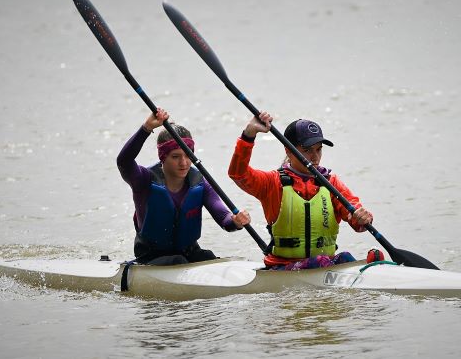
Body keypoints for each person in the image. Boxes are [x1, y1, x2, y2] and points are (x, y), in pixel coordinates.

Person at [228, 111, 374, 270]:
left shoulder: (331, 182)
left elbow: (355, 218)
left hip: (324, 265)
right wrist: (249, 135)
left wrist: (361, 218)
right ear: (288, 151)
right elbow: (238, 173)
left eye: (318, 149)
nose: (315, 157)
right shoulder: (272, 183)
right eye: (307, 150)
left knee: (346, 257)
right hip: (284, 267)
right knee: (320, 261)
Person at [117, 108, 251, 265]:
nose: (184, 162)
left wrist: (236, 221)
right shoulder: (143, 180)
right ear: (163, 157)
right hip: (150, 257)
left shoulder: (200, 182)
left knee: (207, 258)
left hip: (188, 252)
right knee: (177, 260)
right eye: (175, 157)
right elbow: (124, 161)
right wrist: (146, 129)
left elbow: (224, 219)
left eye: (188, 155)